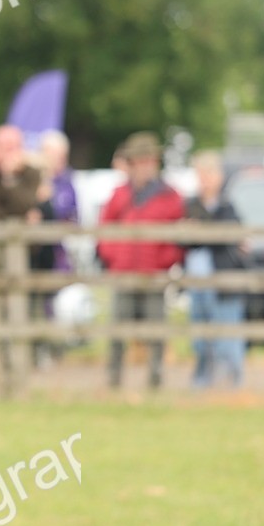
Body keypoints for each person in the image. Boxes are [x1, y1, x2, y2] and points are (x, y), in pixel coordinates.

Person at [96, 131, 185, 389]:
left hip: (153, 272)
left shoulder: (170, 196)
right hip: (123, 271)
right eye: (139, 161)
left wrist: (163, 261)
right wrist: (114, 257)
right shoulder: (119, 195)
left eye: (148, 160)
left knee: (156, 331)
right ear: (132, 164)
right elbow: (105, 230)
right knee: (117, 330)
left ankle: (155, 380)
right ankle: (113, 380)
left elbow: (176, 237)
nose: (144, 166)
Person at [184, 151, 247, 388]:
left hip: (222, 281)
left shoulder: (227, 205)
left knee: (226, 337)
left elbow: (226, 237)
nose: (204, 179)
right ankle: (202, 383)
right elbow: (184, 239)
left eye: (208, 173)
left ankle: (231, 385)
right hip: (197, 281)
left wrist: (200, 230)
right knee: (200, 338)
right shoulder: (191, 204)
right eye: (200, 174)